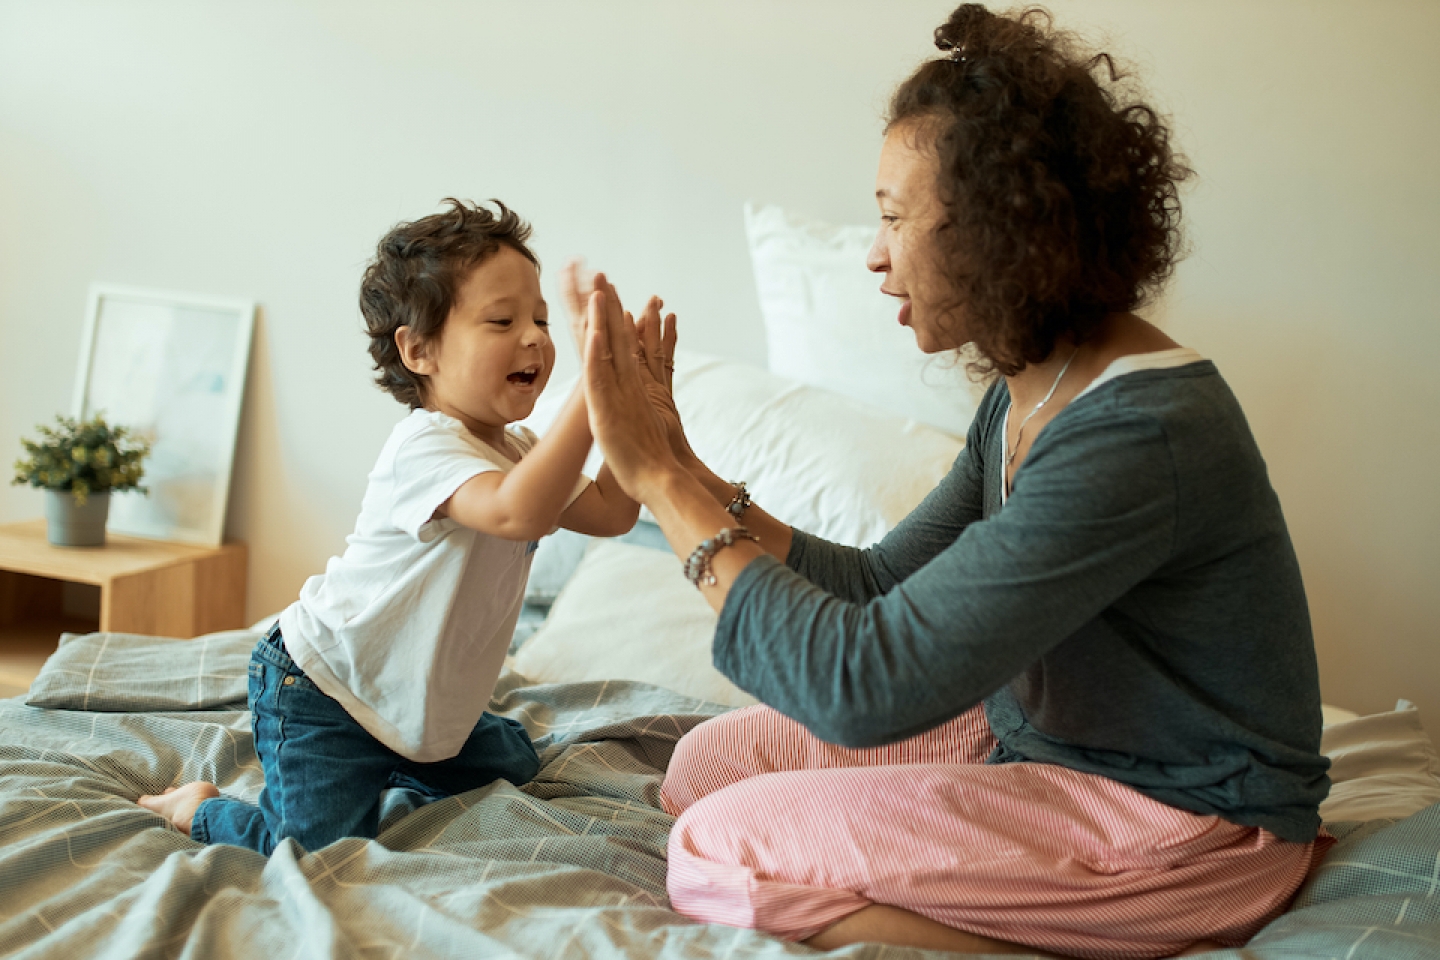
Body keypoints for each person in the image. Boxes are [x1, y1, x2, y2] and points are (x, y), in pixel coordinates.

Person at [573, 5, 1333, 958]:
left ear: (1003, 228)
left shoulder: (1141, 434)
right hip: (1039, 746)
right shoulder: (1031, 385)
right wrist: (681, 467)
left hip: (1181, 822)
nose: (875, 254)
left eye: (894, 217)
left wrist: (652, 480)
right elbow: (879, 586)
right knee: (706, 765)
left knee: (714, 852)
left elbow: (860, 686)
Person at [138, 199, 641, 854]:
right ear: (419, 349)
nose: (536, 338)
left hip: (417, 710)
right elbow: (519, 511)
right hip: (323, 688)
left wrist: (638, 408)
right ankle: (198, 808)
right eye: (502, 320)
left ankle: (403, 760)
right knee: (313, 849)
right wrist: (591, 385)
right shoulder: (424, 448)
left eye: (542, 319)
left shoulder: (519, 450)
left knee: (516, 764)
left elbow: (614, 510)